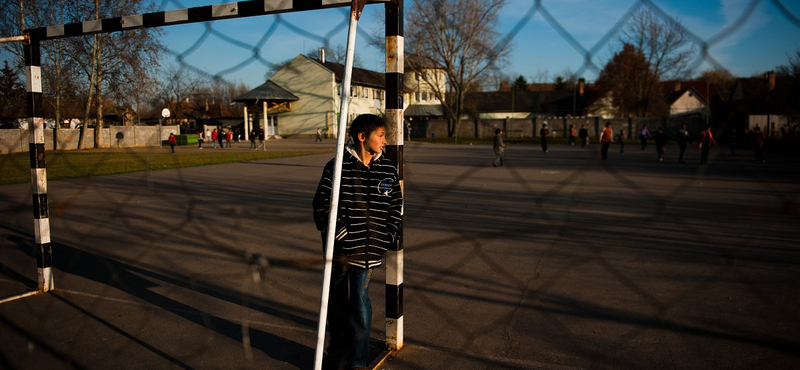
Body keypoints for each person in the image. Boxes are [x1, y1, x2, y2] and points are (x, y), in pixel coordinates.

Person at [312, 114, 402, 370]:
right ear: (363, 136)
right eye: (381, 135)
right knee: (339, 300)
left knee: (360, 301)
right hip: (341, 250)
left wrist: (389, 233)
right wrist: (339, 232)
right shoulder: (337, 166)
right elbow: (321, 205)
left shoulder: (387, 168)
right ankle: (337, 347)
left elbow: (396, 203)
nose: (385, 141)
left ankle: (358, 360)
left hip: (370, 250)